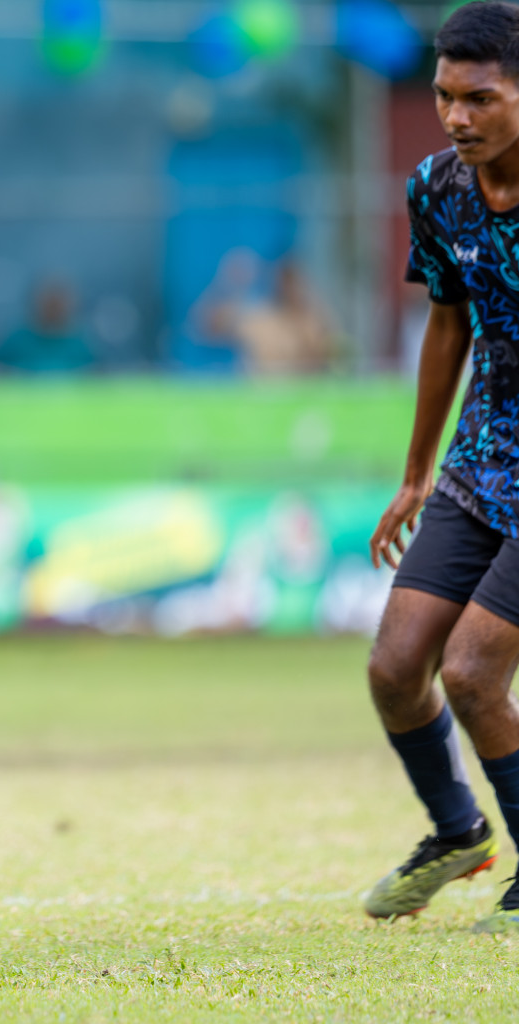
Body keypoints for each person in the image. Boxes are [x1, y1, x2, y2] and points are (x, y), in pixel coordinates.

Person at [365, 0, 519, 933]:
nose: (456, 117)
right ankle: (458, 832)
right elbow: (449, 321)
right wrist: (418, 472)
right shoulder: (439, 187)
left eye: (480, 98)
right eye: (442, 96)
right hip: (486, 450)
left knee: (472, 671)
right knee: (395, 667)